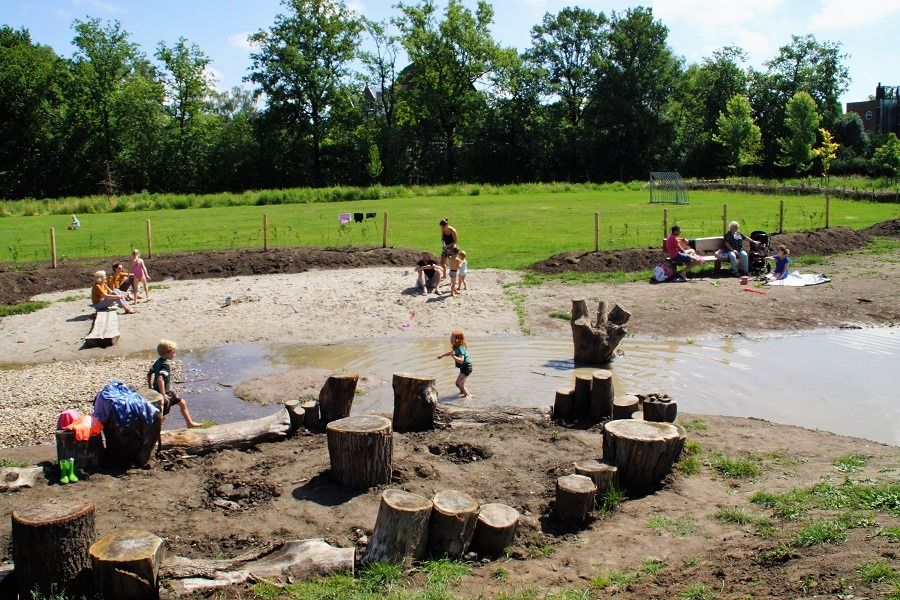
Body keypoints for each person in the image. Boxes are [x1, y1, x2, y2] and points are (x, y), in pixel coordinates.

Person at [147, 339, 198, 428]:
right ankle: (155, 433)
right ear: (167, 352)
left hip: (159, 391)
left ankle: (189, 423)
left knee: (182, 402)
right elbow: (160, 378)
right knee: (162, 415)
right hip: (164, 394)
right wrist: (163, 394)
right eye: (173, 353)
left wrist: (150, 387)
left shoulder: (158, 361)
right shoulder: (165, 364)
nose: (175, 355)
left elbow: (149, 373)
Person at [437, 330, 473, 398]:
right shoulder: (455, 347)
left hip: (466, 367)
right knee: (461, 384)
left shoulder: (460, 349)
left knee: (458, 383)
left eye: (452, 337)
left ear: (457, 339)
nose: (450, 338)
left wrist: (453, 356)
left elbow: (461, 361)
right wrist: (442, 355)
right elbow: (451, 352)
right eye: (451, 337)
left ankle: (468, 396)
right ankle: (462, 392)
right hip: (464, 368)